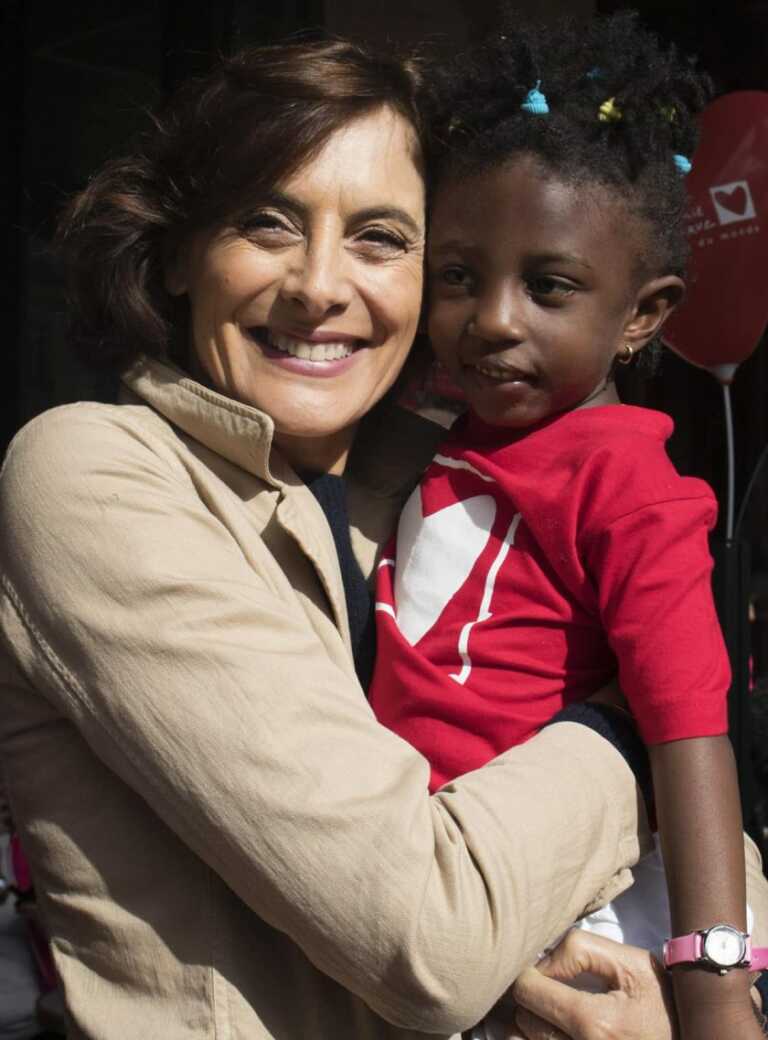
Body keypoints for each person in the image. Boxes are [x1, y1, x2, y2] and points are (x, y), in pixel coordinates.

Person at [0, 33, 764, 1040]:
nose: (320, 284)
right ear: (182, 252)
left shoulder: (441, 470)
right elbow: (430, 940)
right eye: (267, 222)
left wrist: (681, 997)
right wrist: (623, 719)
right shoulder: (95, 475)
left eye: (378, 237)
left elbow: (725, 862)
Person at [369, 12, 768, 1040]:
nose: (493, 318)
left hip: (577, 918)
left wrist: (718, 988)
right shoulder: (456, 432)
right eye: (457, 275)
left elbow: (691, 733)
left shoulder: (631, 485)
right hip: (439, 893)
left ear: (643, 315)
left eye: (549, 287)